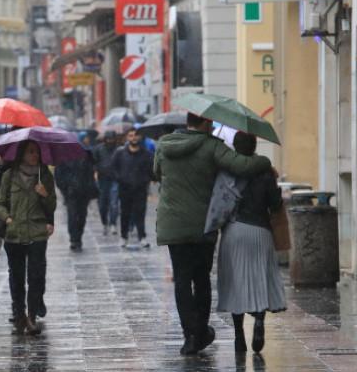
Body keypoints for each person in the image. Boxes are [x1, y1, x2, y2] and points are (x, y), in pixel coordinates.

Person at [154, 112, 271, 355]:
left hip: (172, 223)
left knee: (182, 280)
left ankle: (190, 336)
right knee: (201, 279)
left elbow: (156, 172)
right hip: (202, 224)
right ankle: (200, 331)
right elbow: (243, 165)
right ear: (207, 123)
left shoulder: (164, 145)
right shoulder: (212, 146)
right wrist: (266, 163)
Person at [215, 132, 285, 353]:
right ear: (255, 146)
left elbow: (217, 202)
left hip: (233, 231)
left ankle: (238, 335)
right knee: (260, 279)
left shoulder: (227, 171)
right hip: (260, 231)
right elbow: (275, 204)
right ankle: (259, 321)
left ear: (234, 147)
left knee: (236, 282)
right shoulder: (266, 171)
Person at [0, 140, 56, 335]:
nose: (34, 155)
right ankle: (19, 316)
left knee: (36, 276)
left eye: (36, 152)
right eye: (30, 152)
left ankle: (32, 316)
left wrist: (44, 194)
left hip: (37, 232)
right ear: (21, 154)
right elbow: (0, 204)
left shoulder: (44, 175)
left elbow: (52, 206)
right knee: (17, 277)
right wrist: (8, 218)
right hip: (14, 234)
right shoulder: (9, 175)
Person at [111, 127, 154, 248]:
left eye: (135, 135)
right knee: (125, 213)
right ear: (126, 138)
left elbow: (151, 169)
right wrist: (120, 178)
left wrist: (147, 179)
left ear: (139, 137)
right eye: (130, 135)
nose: (133, 138)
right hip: (124, 188)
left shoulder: (146, 154)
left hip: (140, 188)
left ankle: (142, 237)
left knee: (140, 213)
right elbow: (113, 168)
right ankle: (123, 237)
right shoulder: (120, 153)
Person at [55, 133, 98, 251]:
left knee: (82, 215)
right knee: (73, 215)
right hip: (71, 193)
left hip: (84, 192)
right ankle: (74, 239)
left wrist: (90, 187)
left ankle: (79, 235)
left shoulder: (86, 155)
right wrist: (65, 189)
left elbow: (90, 172)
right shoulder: (63, 158)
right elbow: (58, 176)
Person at [93, 131, 120, 236]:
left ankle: (113, 223)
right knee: (102, 205)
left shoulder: (118, 149)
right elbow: (94, 162)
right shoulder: (98, 149)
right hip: (102, 179)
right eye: (108, 139)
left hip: (115, 179)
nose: (110, 141)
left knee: (114, 203)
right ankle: (104, 222)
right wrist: (95, 172)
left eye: (112, 139)